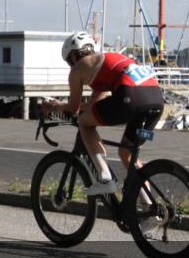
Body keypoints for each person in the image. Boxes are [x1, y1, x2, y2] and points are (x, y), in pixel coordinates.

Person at [41, 32, 165, 196]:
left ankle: (105, 179)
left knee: (84, 123)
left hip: (131, 96)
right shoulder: (107, 61)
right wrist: (71, 108)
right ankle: (149, 205)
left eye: (69, 61)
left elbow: (73, 108)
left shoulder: (78, 68)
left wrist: (53, 107)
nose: (71, 66)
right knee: (127, 153)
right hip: (156, 102)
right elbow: (92, 107)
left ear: (74, 56)